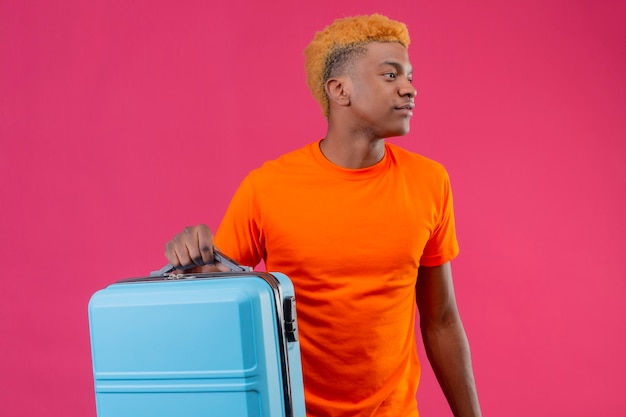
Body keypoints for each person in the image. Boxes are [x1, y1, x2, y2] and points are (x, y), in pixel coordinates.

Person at [164, 14, 482, 417]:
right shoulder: (267, 188)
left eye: (410, 76)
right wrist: (188, 260)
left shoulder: (430, 181)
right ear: (339, 90)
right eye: (390, 75)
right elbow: (216, 308)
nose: (410, 89)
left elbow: (441, 321)